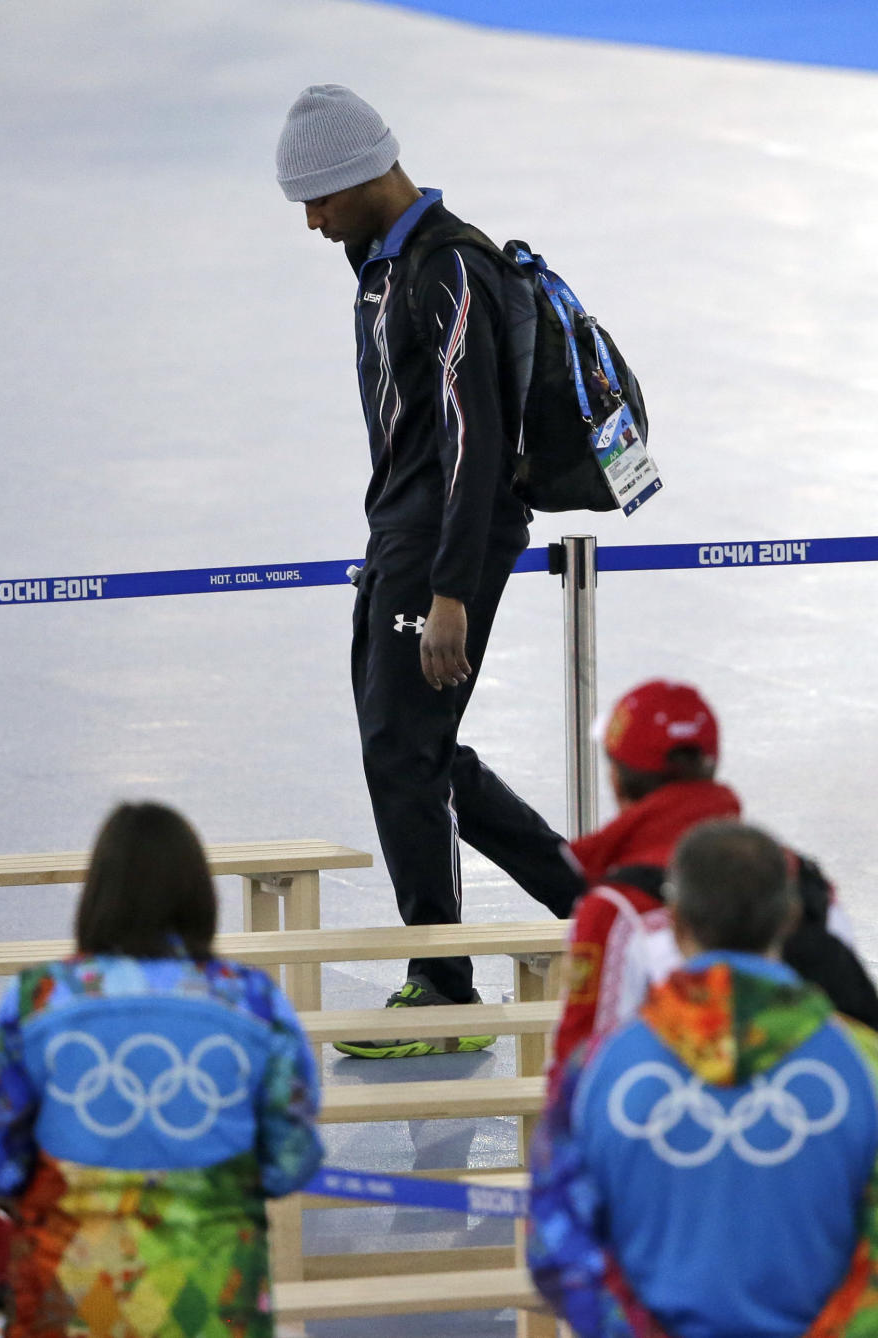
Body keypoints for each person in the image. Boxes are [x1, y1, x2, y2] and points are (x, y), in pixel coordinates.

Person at [275, 84, 584, 1057]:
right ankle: (604, 912)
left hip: (445, 541)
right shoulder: (386, 266)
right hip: (404, 538)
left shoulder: (448, 267)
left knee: (404, 750)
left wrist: (450, 588)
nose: (314, 222)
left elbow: (474, 437)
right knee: (417, 748)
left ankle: (445, 987)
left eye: (320, 199)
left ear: (366, 176)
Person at [0, 802, 322, 1338]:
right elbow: (292, 1159)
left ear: (97, 894)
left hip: (69, 1304)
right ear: (200, 895)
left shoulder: (40, 997)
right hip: (214, 1308)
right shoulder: (253, 1000)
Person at [528, 821, 878, 1338]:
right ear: (790, 917)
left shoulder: (596, 1069)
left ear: (673, 921)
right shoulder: (863, 1063)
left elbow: (557, 1243)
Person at [554, 678, 878, 1067]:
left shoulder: (614, 910)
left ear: (616, 779)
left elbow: (578, 1069)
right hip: (811, 1112)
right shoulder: (801, 879)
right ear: (710, 766)